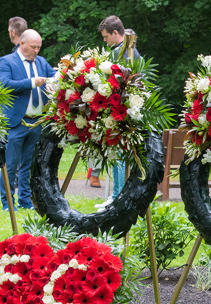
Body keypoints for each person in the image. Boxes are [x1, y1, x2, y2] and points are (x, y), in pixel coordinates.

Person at [0, 29, 55, 210]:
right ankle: (8, 203)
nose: (36, 50)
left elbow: (55, 77)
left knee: (28, 165)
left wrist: (55, 84)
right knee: (11, 165)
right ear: (22, 44)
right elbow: (4, 84)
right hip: (16, 122)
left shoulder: (42, 62)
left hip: (36, 122)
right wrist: (31, 82)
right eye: (33, 47)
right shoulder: (7, 61)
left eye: (39, 47)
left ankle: (25, 200)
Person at [94, 17, 140, 210]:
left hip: (122, 109)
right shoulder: (120, 50)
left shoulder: (127, 52)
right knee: (115, 154)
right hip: (115, 108)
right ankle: (115, 195)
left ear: (115, 33)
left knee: (120, 155)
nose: (104, 40)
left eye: (106, 37)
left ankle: (118, 196)